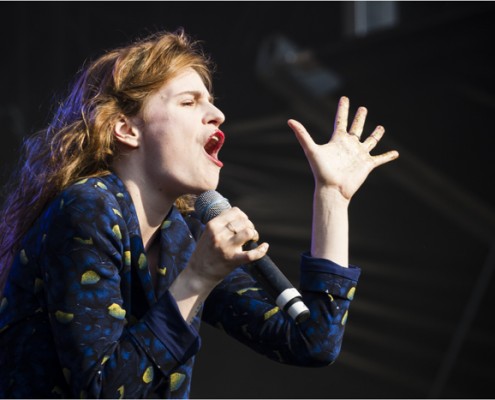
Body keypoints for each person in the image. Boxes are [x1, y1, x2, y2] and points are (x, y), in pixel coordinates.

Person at [0, 29, 399, 398]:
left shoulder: (179, 236)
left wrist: (332, 197)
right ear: (126, 128)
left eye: (211, 100)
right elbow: (103, 390)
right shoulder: (89, 205)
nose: (217, 114)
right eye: (189, 102)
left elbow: (312, 341)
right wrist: (198, 277)